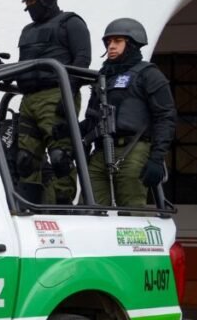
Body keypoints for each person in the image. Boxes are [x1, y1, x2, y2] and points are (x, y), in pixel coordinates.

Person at [68, 18, 177, 206]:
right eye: (108, 42)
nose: (111, 46)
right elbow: (92, 119)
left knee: (132, 208)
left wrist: (157, 158)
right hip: (101, 149)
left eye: (117, 41)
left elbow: (165, 117)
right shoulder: (103, 77)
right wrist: (69, 131)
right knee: (89, 207)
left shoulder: (148, 74)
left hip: (133, 148)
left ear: (132, 44)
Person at [14, 0, 92, 204]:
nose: (29, 8)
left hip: (56, 95)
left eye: (32, 2)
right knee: (25, 160)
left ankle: (61, 207)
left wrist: (67, 95)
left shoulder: (71, 23)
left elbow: (82, 60)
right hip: (28, 98)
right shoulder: (27, 31)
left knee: (60, 157)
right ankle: (30, 207)